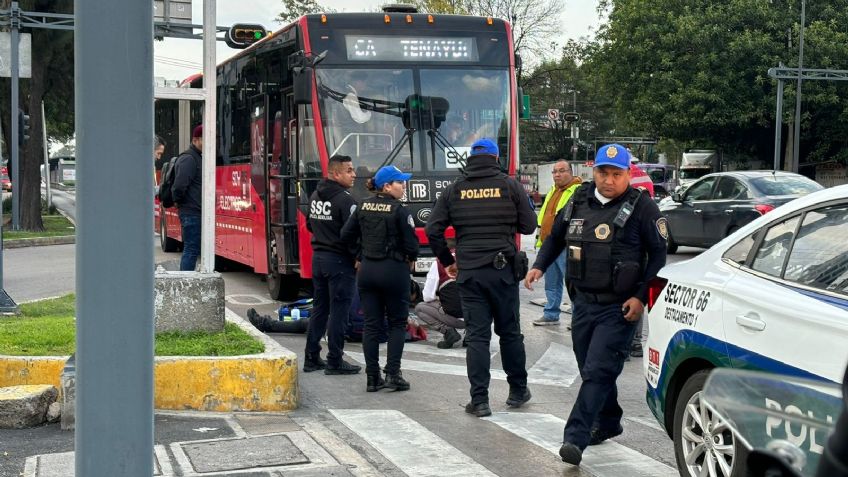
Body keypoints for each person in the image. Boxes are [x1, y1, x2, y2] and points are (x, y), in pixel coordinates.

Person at [524, 143, 667, 466]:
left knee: (598, 370)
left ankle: (575, 436)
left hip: (620, 306)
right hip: (583, 303)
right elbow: (555, 238)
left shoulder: (642, 208)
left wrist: (641, 297)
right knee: (592, 367)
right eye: (603, 172)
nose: (609, 180)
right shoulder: (577, 199)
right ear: (594, 172)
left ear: (627, 174)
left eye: (617, 174)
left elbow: (659, 256)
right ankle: (610, 419)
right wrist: (539, 266)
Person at [425, 138, 537, 418]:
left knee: (477, 336)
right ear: (496, 158)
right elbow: (529, 224)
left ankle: (480, 401)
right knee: (510, 332)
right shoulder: (510, 185)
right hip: (503, 272)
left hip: (470, 272)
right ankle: (517, 390)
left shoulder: (455, 190)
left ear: (470, 159)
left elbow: (432, 230)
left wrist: (448, 261)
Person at [341, 165, 420, 393]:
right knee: (396, 323)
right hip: (394, 270)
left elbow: (345, 235)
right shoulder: (400, 210)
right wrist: (410, 258)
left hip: (367, 271)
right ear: (386, 186)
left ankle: (372, 377)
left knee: (371, 325)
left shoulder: (363, 205)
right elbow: (412, 245)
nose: (403, 187)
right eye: (399, 183)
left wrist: (359, 254)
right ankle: (393, 374)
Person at [303, 154, 362, 375]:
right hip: (339, 262)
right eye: (349, 170)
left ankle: (311, 357)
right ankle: (335, 360)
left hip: (318, 259)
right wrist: (358, 256)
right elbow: (352, 235)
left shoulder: (316, 195)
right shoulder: (346, 200)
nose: (354, 174)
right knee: (340, 312)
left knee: (320, 309)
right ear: (336, 173)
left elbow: (310, 225)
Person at [533, 160, 582, 326]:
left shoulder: (577, 190)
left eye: (561, 171)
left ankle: (578, 318)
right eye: (554, 172)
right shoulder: (554, 189)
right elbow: (545, 215)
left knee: (573, 283)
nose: (557, 175)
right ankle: (551, 314)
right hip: (549, 243)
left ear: (571, 172)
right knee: (551, 283)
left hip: (566, 245)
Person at [414, 253, 465, 349]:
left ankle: (448, 332)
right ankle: (471, 336)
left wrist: (439, 296)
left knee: (420, 308)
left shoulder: (439, 263)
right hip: (479, 318)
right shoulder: (475, 256)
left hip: (457, 319)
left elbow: (427, 297)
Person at [172, 125, 203, 271]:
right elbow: (179, 186)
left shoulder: (197, 157)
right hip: (191, 212)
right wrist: (180, 203)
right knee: (191, 249)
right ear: (195, 140)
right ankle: (185, 281)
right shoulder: (189, 158)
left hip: (194, 211)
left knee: (193, 249)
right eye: (205, 139)